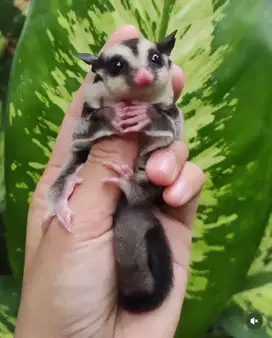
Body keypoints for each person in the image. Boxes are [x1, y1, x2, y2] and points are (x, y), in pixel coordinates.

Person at [14, 25, 205, 338]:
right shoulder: (97, 101)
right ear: (100, 73)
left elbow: (171, 127)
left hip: (141, 192)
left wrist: (152, 120)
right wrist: (105, 120)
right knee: (73, 171)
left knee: (156, 176)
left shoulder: (163, 102)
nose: (143, 76)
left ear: (167, 62)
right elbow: (78, 147)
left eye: (154, 61)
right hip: (110, 196)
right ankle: (64, 200)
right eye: (120, 68)